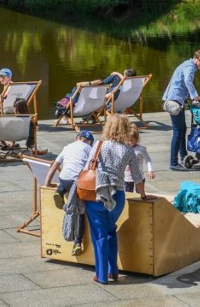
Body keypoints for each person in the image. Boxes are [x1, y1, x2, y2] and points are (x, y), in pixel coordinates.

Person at [83, 114, 154, 285]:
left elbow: (87, 168)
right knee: (110, 231)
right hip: (118, 196)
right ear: (124, 129)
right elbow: (137, 177)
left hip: (98, 194)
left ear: (108, 127)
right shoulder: (128, 150)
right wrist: (143, 195)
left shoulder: (99, 145)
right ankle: (113, 271)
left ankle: (101, 275)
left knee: (99, 235)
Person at [43, 130, 94, 256]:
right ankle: (78, 241)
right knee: (80, 210)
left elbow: (55, 165)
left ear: (77, 138)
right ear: (89, 141)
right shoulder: (89, 148)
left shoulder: (68, 147)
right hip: (77, 183)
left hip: (64, 179)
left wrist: (47, 183)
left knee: (64, 180)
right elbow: (92, 169)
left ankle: (59, 192)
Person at [162, 48, 200, 171]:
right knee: (178, 131)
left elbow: (182, 83)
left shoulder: (187, 64)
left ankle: (184, 158)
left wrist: (190, 98)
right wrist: (195, 96)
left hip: (177, 100)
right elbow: (187, 81)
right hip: (175, 102)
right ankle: (173, 163)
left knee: (182, 129)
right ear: (199, 58)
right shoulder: (190, 67)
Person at [125, 124, 154, 193]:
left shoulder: (141, 149)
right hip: (127, 177)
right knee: (128, 195)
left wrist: (150, 170)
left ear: (137, 139)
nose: (129, 142)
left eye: (131, 140)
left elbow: (148, 160)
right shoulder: (124, 148)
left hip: (139, 176)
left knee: (140, 194)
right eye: (127, 140)